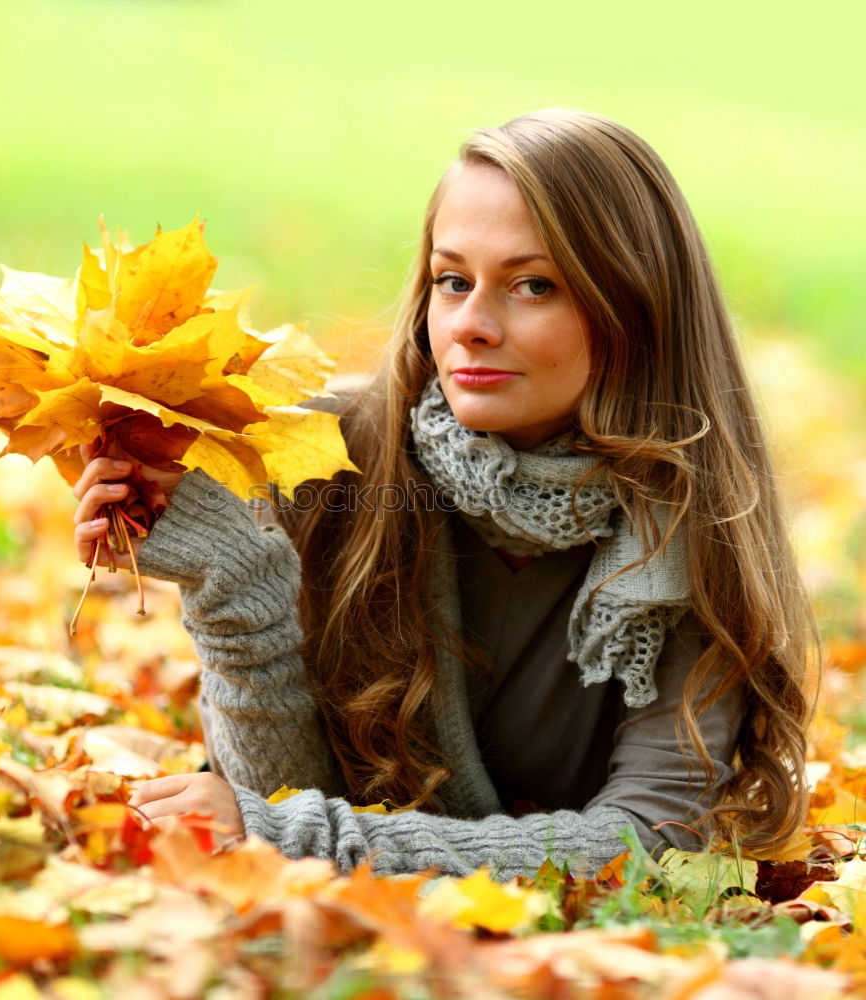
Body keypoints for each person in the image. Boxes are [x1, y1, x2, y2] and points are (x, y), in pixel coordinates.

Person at [72, 110, 814, 878]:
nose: (471, 325)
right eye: (451, 280)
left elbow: (651, 845)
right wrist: (234, 587)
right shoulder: (325, 461)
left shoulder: (689, 528)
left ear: (635, 306)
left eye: (533, 285)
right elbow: (275, 811)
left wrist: (298, 836)